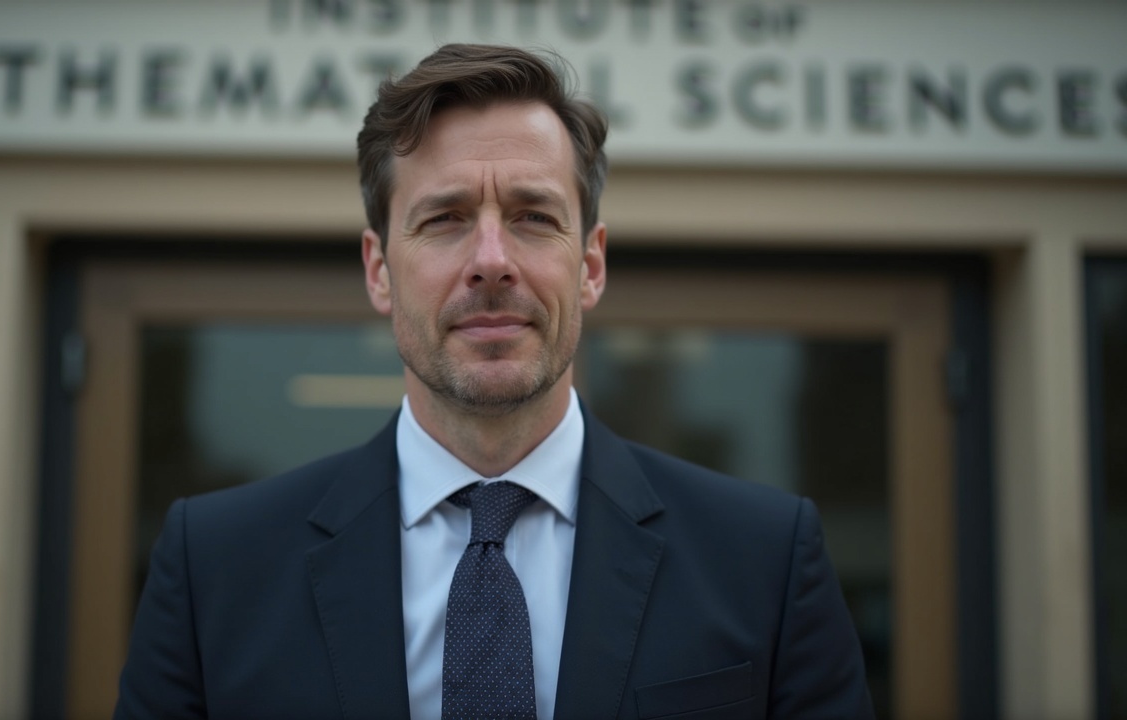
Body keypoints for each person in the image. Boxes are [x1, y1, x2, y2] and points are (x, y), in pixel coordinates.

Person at [115, 44, 873, 719]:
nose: (490, 261)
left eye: (533, 217)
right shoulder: (215, 569)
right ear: (379, 270)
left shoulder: (765, 562)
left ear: (591, 265)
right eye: (443, 218)